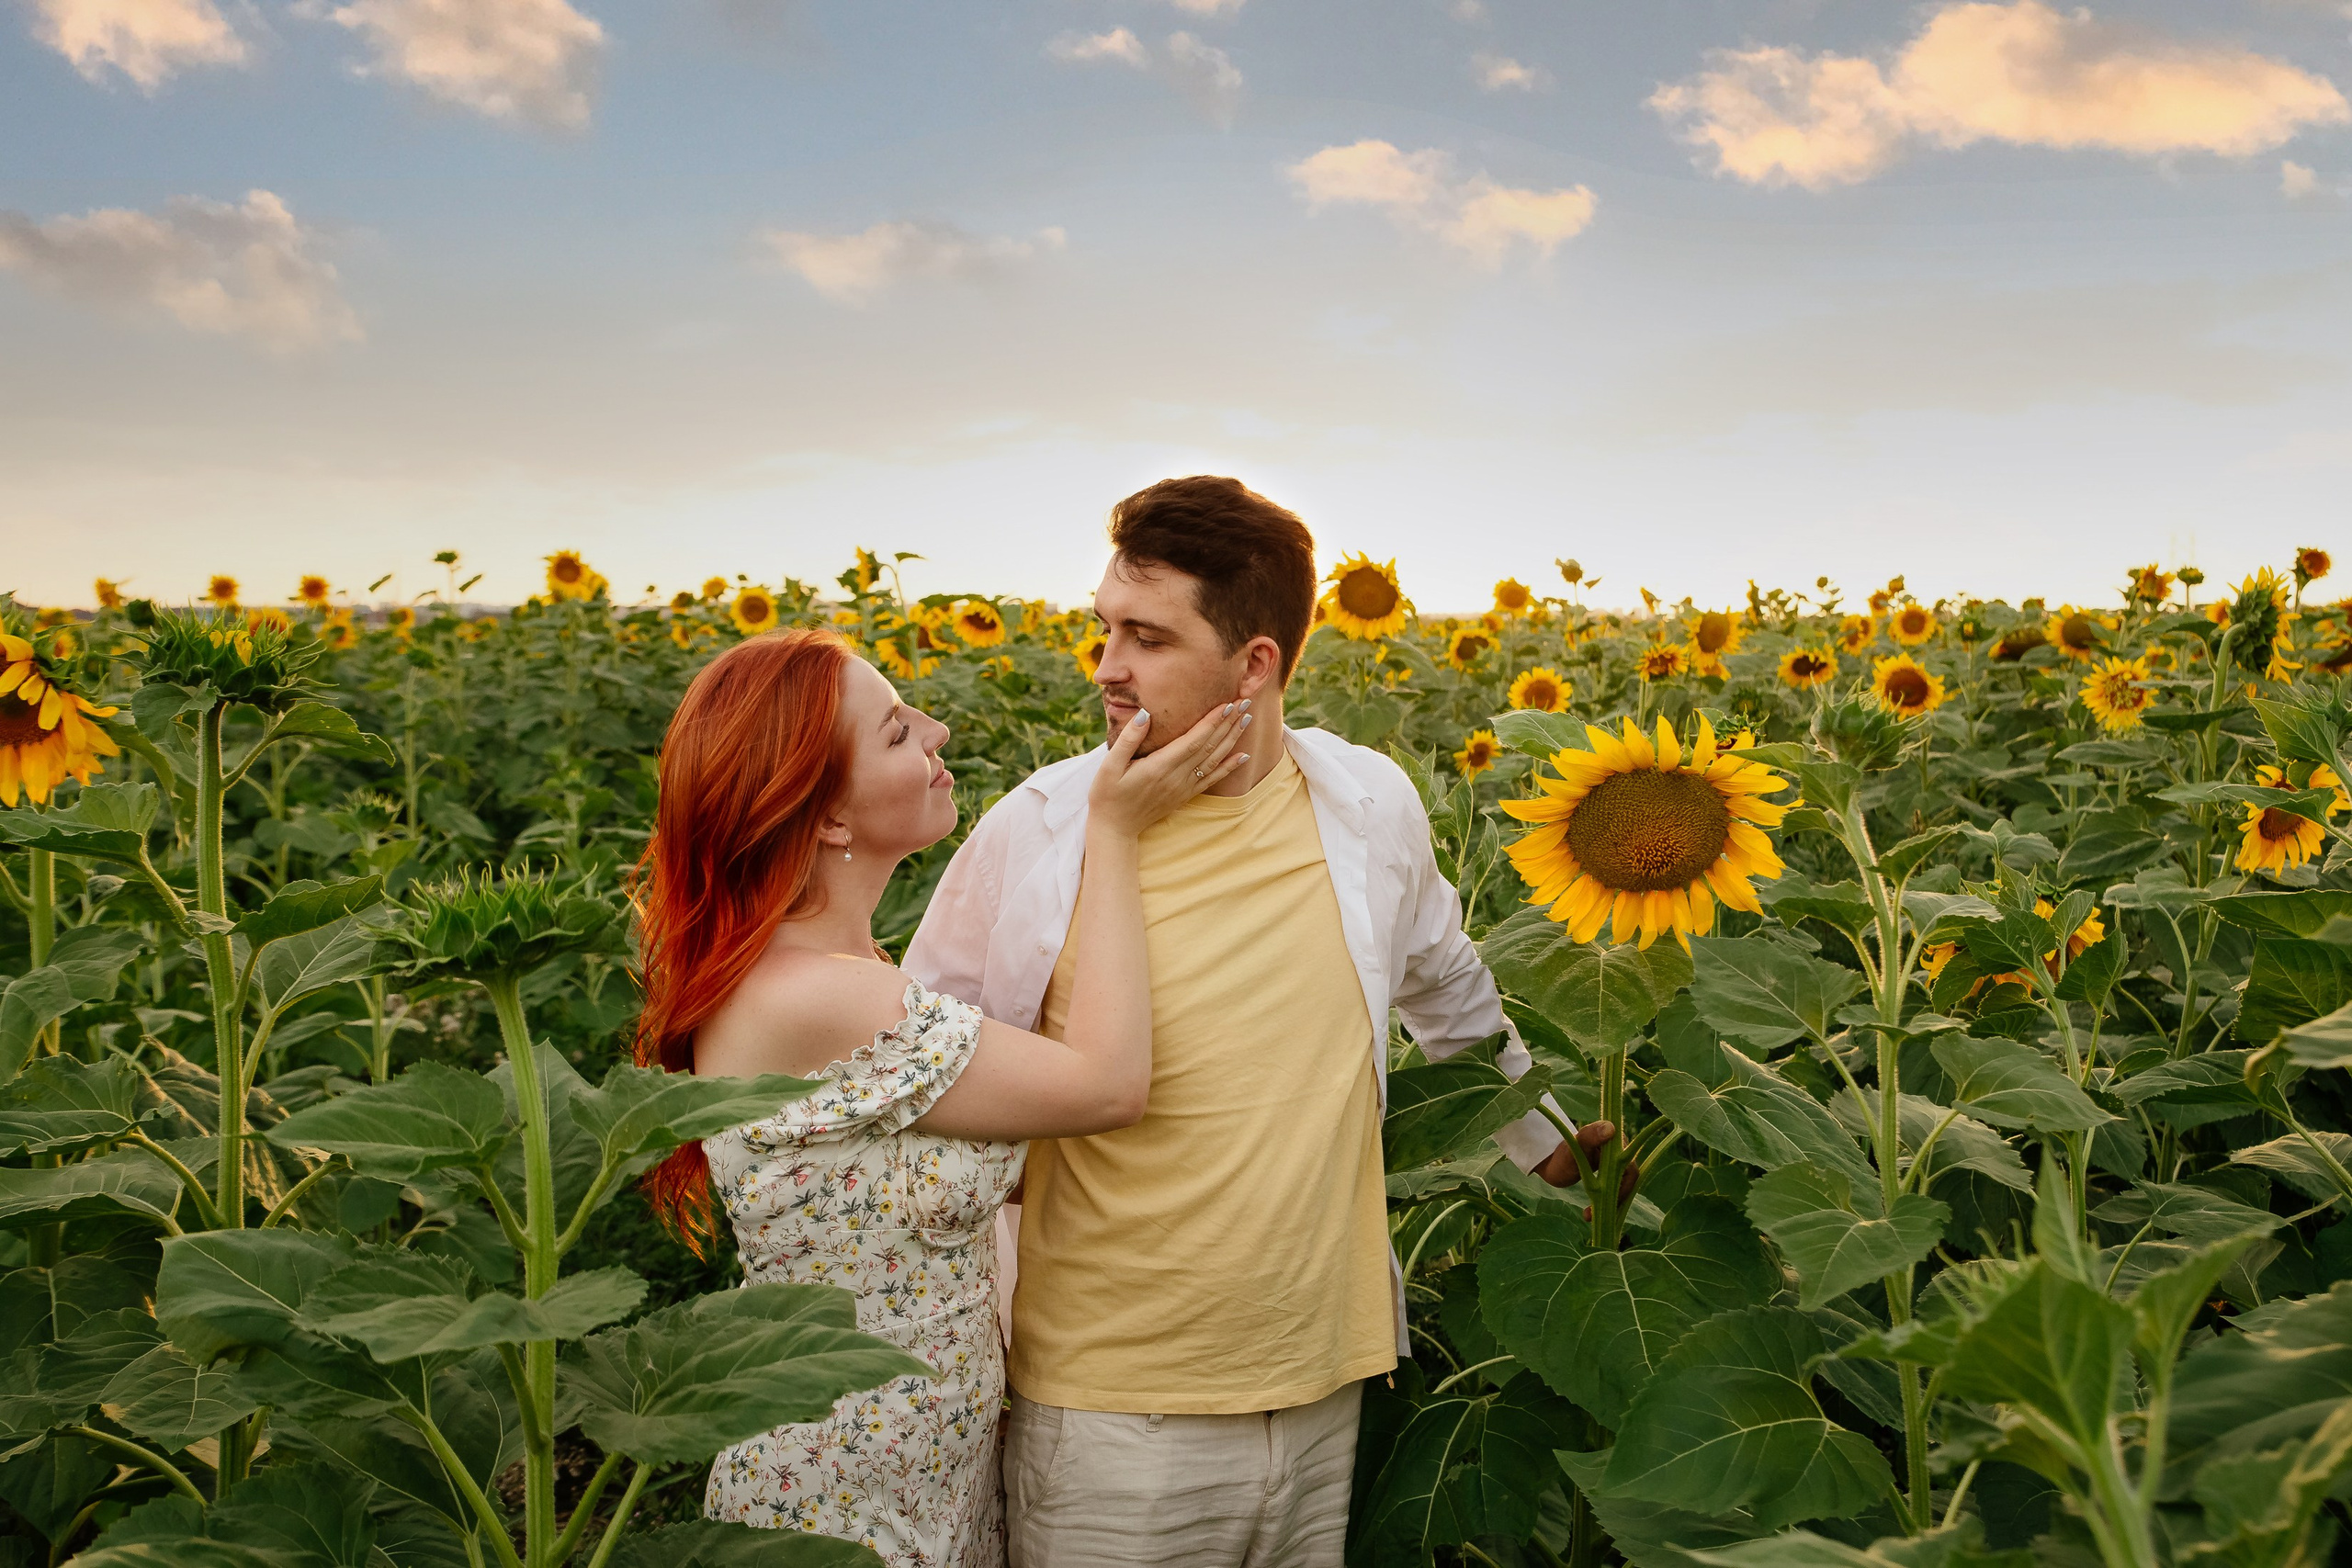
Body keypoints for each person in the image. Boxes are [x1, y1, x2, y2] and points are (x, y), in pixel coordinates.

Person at [904, 476, 1621, 1568]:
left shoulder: (1367, 804)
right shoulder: (1039, 830)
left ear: (1255, 664)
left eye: (1147, 637)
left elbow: (1448, 987)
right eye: (1106, 627)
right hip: (1112, 1405)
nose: (1106, 666)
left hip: (1321, 1376)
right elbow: (921, 1064)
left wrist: (1548, 1145)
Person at [632, 626, 1250, 1568]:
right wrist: (1114, 831)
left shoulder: (847, 973)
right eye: (894, 731)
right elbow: (1107, 1086)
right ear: (828, 819)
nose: (938, 730)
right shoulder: (819, 999)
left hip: (926, 1485)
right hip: (838, 1505)